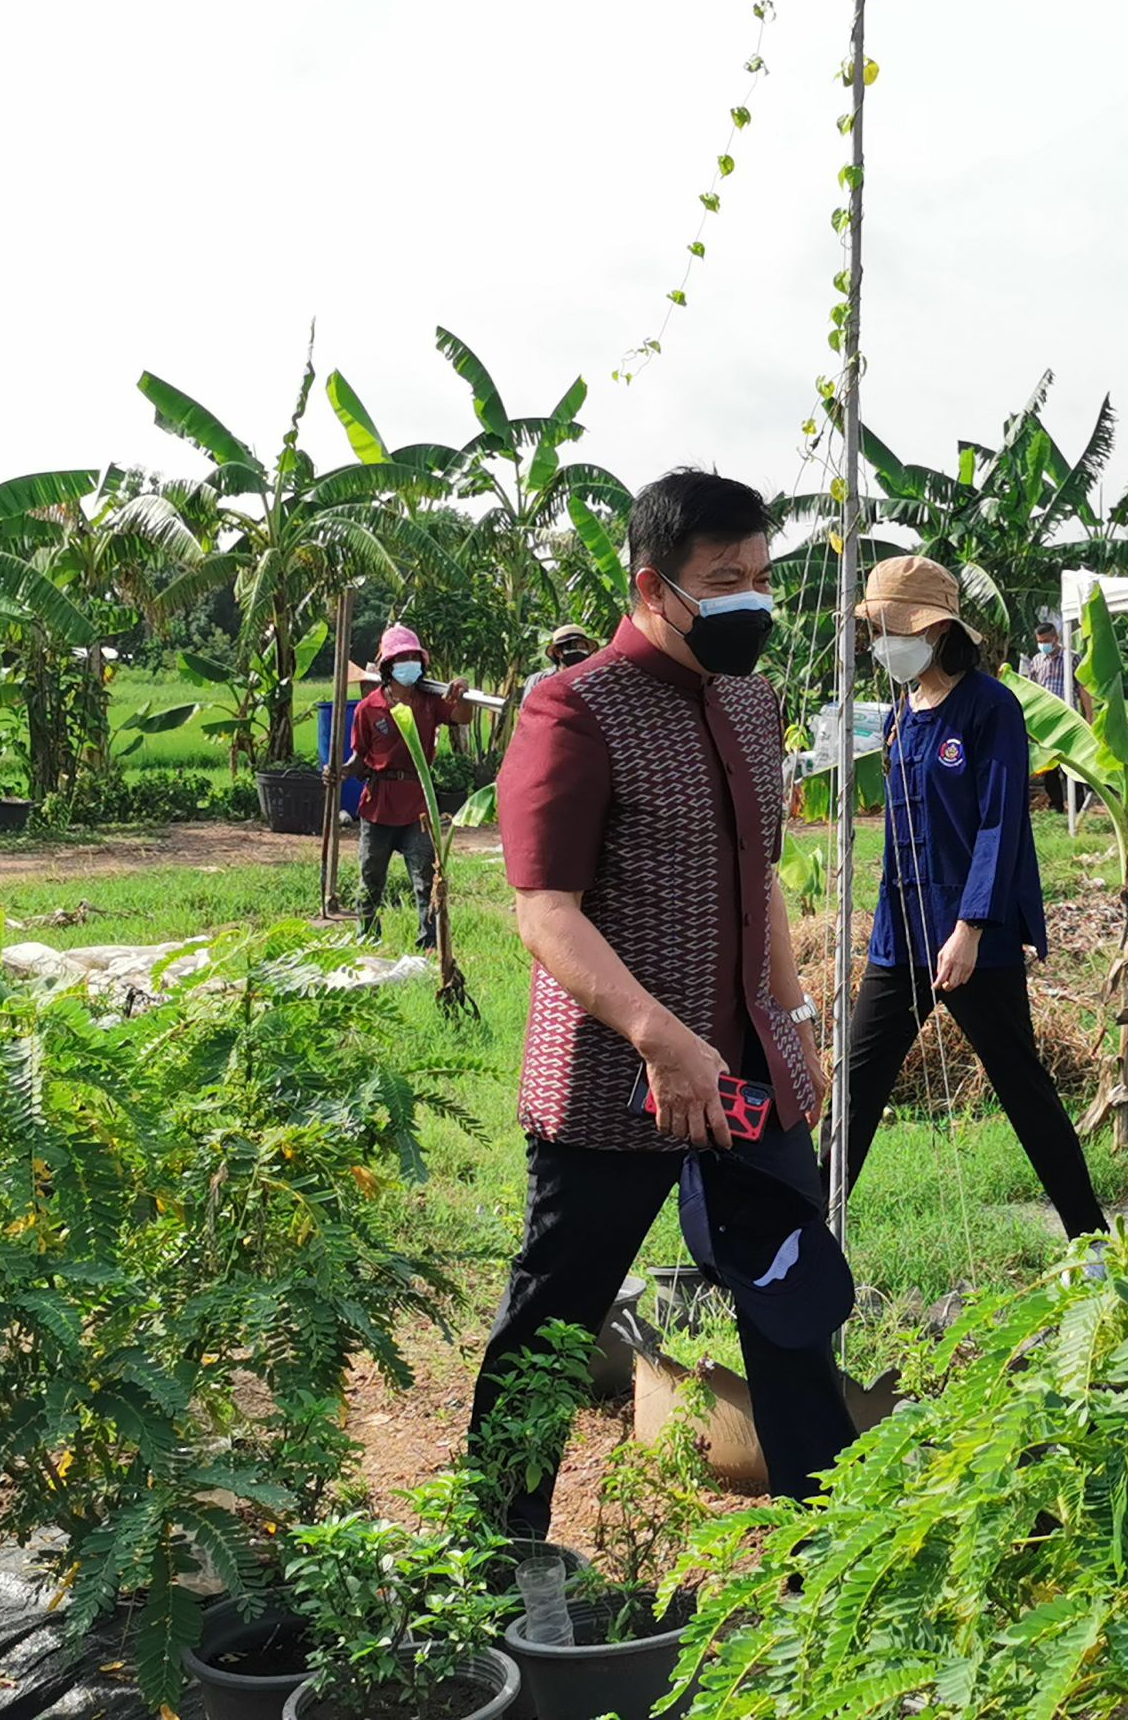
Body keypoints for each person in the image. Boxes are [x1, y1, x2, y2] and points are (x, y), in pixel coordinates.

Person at [470, 468, 852, 1535]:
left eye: (763, 577)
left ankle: (825, 1555)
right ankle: (494, 1561)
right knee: (557, 1318)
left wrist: (797, 1021)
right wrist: (654, 1032)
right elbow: (545, 913)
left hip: (744, 1073)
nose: (753, 600)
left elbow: (762, 875)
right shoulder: (576, 708)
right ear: (653, 586)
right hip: (613, 1077)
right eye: (724, 579)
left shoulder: (750, 697)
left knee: (792, 1304)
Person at [837, 558, 1110, 1241]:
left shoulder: (991, 708)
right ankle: (805, 1237)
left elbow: (1000, 825)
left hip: (971, 941)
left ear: (935, 632)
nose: (884, 643)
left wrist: (969, 927)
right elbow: (904, 831)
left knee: (1022, 1085)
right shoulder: (905, 711)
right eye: (879, 630)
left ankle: (1092, 1238)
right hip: (900, 934)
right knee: (856, 1087)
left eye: (895, 629)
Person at [340, 626, 472, 949]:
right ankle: (367, 937)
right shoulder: (368, 708)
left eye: (414, 657)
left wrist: (463, 694)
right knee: (370, 877)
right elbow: (360, 758)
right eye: (402, 658)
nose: (409, 663)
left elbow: (462, 717)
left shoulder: (429, 701)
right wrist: (340, 772)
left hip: (418, 805)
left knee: (425, 879)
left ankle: (429, 942)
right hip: (379, 804)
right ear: (388, 665)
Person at [1017, 619, 1075, 809]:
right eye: (1040, 642)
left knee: (1072, 762)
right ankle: (1056, 803)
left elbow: (1082, 688)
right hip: (1044, 719)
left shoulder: (1071, 658)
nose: (1043, 645)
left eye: (1046, 641)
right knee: (1049, 763)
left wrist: (1088, 715)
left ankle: (1078, 801)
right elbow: (1032, 689)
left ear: (1056, 639)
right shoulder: (1036, 660)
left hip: (1066, 717)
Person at [520, 623, 596, 703]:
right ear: (558, 652)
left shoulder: (592, 681)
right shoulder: (539, 679)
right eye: (574, 647)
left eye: (583, 648)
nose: (580, 652)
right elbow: (527, 711)